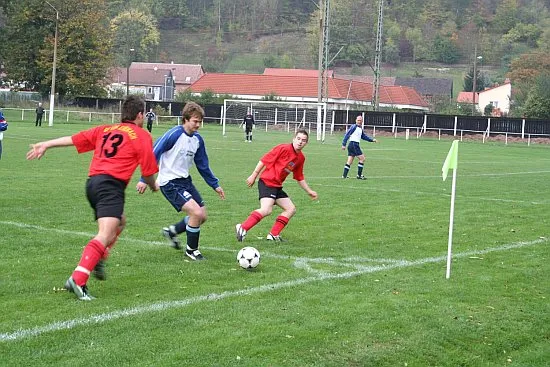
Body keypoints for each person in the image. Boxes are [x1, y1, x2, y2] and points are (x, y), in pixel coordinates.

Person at [26, 95, 159, 301]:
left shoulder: (105, 129)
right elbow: (148, 172)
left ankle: (99, 257)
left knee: (120, 222)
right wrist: (153, 185)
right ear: (140, 115)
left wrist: (46, 144)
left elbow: (73, 139)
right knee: (105, 234)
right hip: (110, 186)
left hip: (93, 184)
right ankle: (78, 279)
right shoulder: (141, 135)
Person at [137, 101, 225, 261]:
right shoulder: (174, 134)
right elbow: (154, 152)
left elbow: (203, 165)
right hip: (169, 182)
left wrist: (215, 184)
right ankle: (191, 251)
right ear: (185, 119)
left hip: (185, 182)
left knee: (202, 216)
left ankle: (172, 231)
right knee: (196, 213)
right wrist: (144, 179)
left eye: (200, 121)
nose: (198, 125)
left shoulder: (198, 140)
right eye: (195, 121)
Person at [235, 129, 318, 242]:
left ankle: (273, 234)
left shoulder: (300, 158)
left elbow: (299, 177)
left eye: (303, 140)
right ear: (293, 139)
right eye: (298, 139)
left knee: (290, 209)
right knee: (266, 209)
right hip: (267, 182)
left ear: (306, 143)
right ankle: (242, 227)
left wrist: (309, 191)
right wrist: (253, 175)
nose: (300, 142)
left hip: (277, 186)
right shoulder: (283, 148)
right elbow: (264, 160)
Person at [341, 114, 377, 179]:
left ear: (362, 121)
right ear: (356, 120)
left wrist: (372, 140)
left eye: (360, 120)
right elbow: (347, 135)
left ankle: (344, 176)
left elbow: (363, 137)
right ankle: (359, 176)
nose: (359, 121)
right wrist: (343, 144)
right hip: (354, 144)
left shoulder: (360, 128)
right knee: (362, 158)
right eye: (358, 120)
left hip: (352, 145)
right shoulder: (353, 127)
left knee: (350, 161)